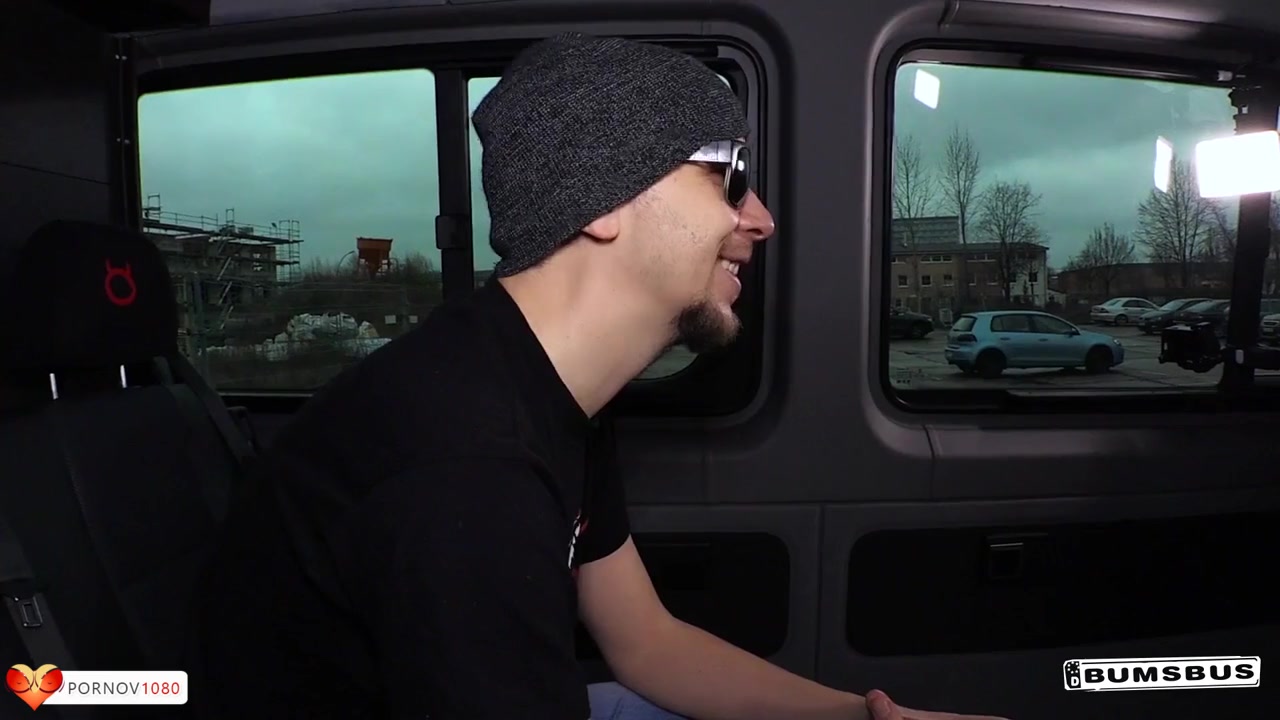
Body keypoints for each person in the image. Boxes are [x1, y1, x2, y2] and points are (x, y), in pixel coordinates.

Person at [190, 32, 1005, 720]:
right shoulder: (464, 471)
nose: (760, 218)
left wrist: (863, 715)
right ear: (601, 199)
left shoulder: (548, 389)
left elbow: (646, 643)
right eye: (728, 174)